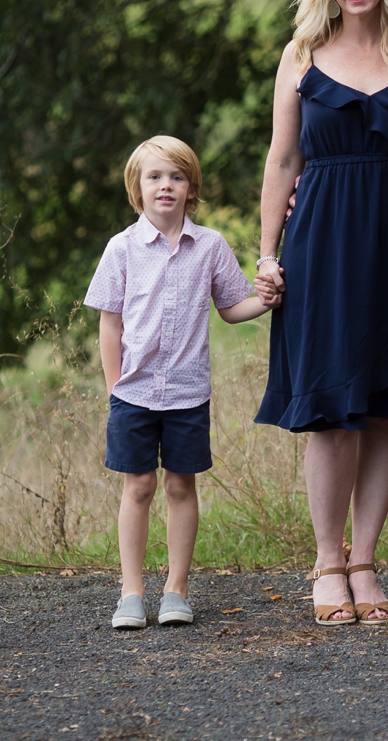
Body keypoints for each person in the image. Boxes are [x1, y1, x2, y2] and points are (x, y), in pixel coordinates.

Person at [254, 0, 388, 628]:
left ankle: (365, 559)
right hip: (323, 243)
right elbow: (281, 162)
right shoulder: (301, 55)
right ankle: (327, 562)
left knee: (385, 406)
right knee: (332, 411)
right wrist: (268, 253)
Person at [84, 136, 270, 630]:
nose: (166, 185)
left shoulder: (208, 246)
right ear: (137, 188)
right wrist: (113, 388)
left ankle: (176, 589)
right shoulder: (121, 249)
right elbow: (110, 324)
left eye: (177, 176)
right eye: (155, 176)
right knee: (138, 486)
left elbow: (233, 308)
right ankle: (131, 592)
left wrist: (268, 298)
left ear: (191, 189)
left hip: (188, 393)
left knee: (180, 487)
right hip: (133, 392)